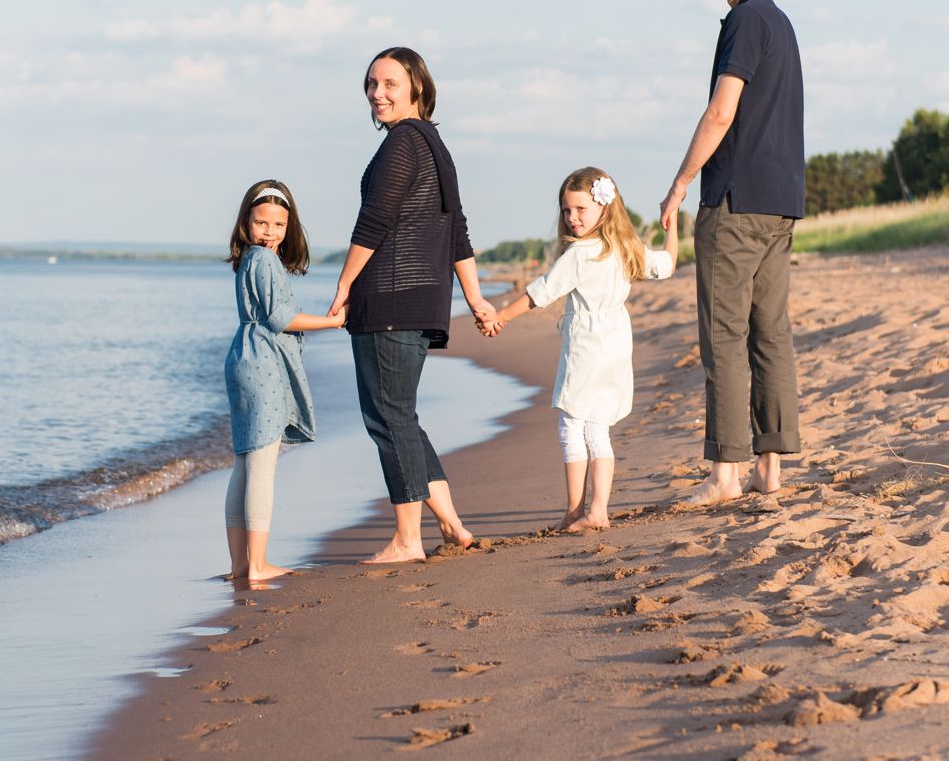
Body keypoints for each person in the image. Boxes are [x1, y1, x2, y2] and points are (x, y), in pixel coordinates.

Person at [328, 48, 496, 564]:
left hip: (390, 299)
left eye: (390, 84)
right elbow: (458, 229)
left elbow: (374, 223)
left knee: (388, 421)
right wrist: (474, 296)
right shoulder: (433, 143)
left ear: (417, 86)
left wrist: (343, 286)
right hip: (424, 301)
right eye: (371, 84)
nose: (378, 93)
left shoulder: (402, 143)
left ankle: (407, 540)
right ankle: (451, 525)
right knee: (402, 416)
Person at [657, 0, 805, 502]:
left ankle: (725, 474)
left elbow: (722, 112)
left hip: (738, 199)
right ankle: (770, 469)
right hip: (780, 200)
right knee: (770, 332)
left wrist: (679, 184)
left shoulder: (745, 20)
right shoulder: (781, 21)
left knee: (724, 335)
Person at [484, 168, 676, 531]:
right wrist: (674, 225)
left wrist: (500, 318)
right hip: (617, 342)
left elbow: (539, 294)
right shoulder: (625, 247)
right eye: (567, 210)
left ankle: (575, 511)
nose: (573, 218)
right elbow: (665, 264)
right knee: (598, 426)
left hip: (587, 345)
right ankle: (598, 510)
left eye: (581, 209)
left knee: (572, 425)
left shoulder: (579, 254)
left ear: (604, 206)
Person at [222, 179, 345, 582]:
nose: (270, 231)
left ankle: (242, 564)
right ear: (246, 223)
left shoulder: (249, 261)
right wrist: (332, 321)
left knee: (245, 462)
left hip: (244, 357)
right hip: (263, 364)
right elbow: (280, 319)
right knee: (261, 466)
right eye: (261, 223)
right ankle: (257, 565)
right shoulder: (264, 261)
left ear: (289, 227)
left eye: (278, 224)